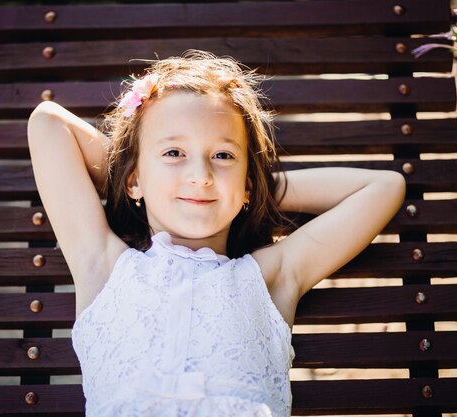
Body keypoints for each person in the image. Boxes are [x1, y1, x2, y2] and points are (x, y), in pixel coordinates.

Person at [27, 50, 406, 417]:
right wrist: (137, 169)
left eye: (223, 156)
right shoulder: (103, 267)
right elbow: (48, 123)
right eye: (174, 153)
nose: (200, 176)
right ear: (134, 180)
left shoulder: (271, 276)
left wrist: (253, 188)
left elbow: (384, 188)